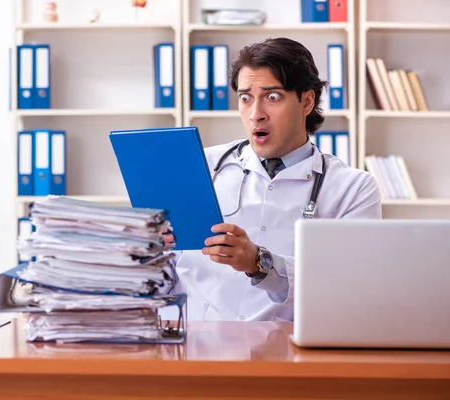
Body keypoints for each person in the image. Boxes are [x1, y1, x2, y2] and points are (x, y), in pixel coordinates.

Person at [163, 37, 382, 322]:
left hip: (287, 353)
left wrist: (259, 263)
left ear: (306, 101)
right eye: (245, 98)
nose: (256, 114)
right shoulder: (200, 166)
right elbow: (166, 274)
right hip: (197, 345)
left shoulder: (353, 189)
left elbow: (354, 289)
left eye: (272, 97)